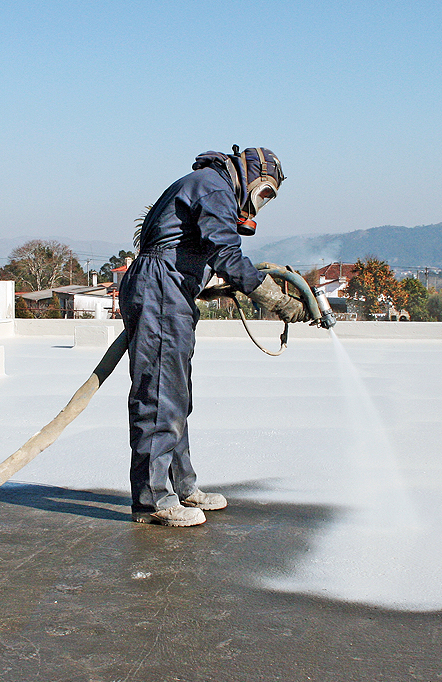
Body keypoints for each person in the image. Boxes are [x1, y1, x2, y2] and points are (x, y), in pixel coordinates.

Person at [120, 146, 308, 527]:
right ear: (250, 174)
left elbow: (189, 250)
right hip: (160, 291)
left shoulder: (211, 185)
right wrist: (274, 298)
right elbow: (225, 251)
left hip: (171, 290)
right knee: (158, 396)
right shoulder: (215, 187)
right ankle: (153, 500)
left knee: (174, 397)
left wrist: (211, 285)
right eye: (265, 191)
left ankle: (181, 486)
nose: (262, 202)